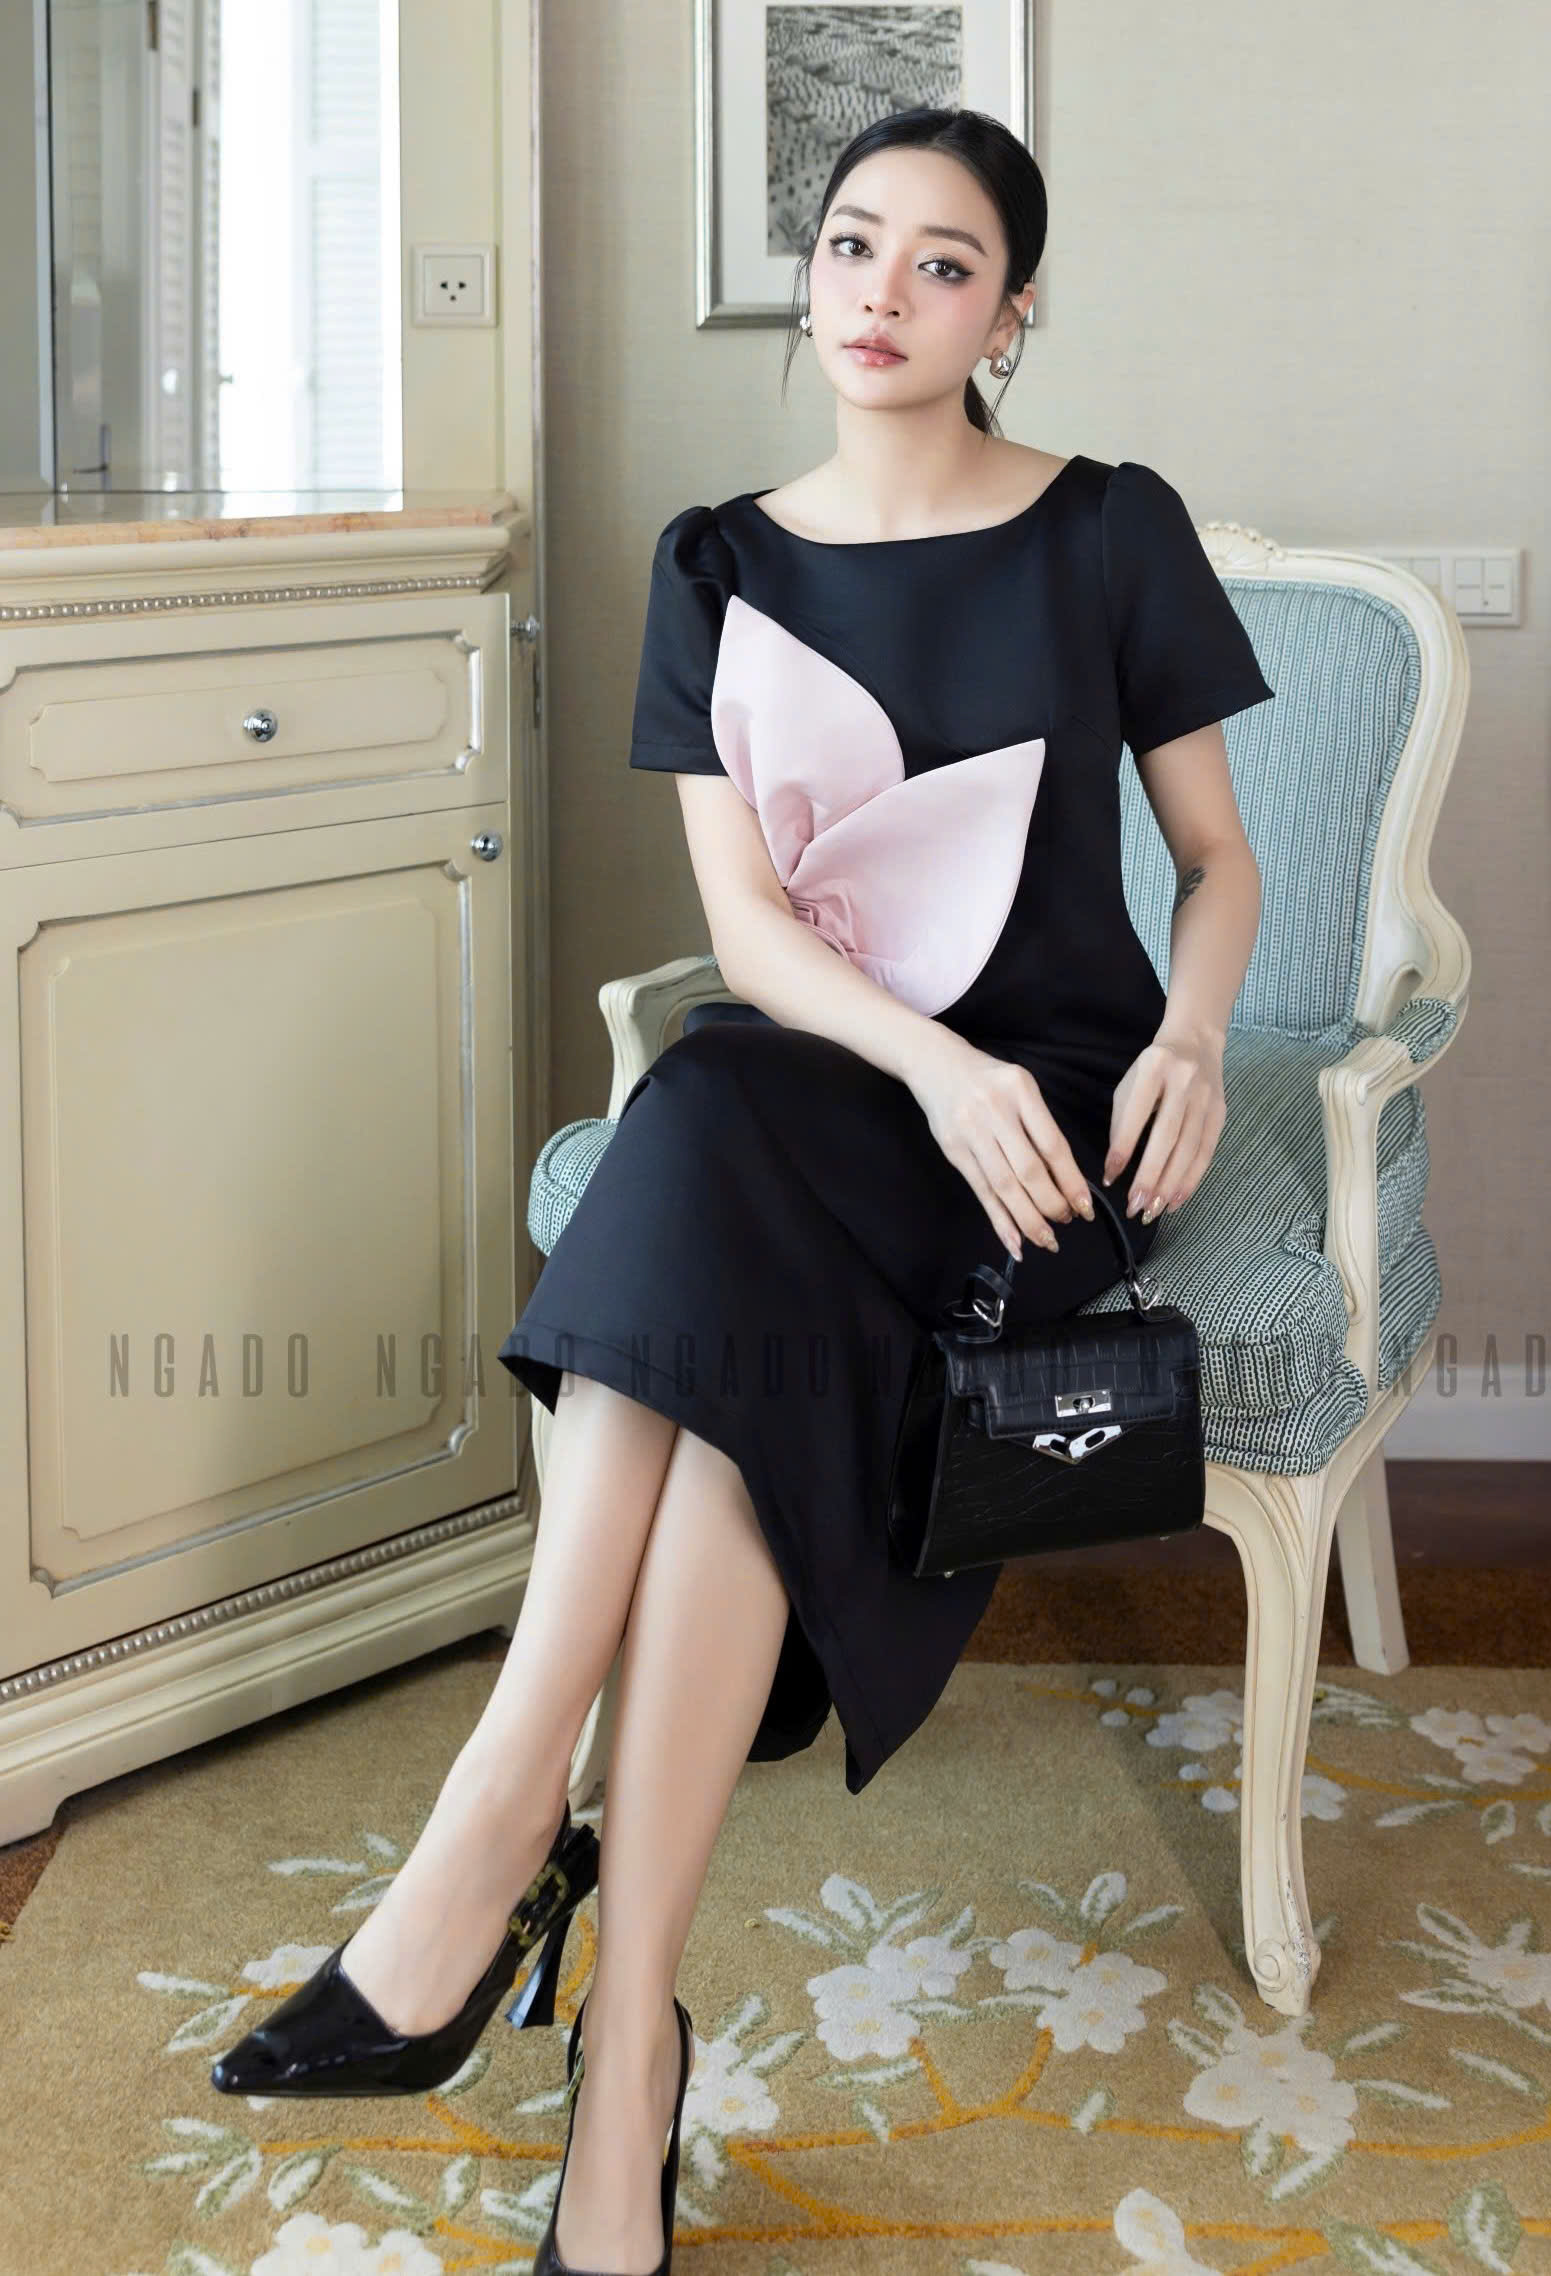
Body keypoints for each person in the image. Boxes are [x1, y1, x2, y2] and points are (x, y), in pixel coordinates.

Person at [211, 103, 1275, 2276]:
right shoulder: (719, 561)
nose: (881, 292)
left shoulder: (1109, 527)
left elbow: (1217, 860)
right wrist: (924, 1061)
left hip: (1052, 1127)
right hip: (855, 1085)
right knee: (720, 1155)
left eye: (943, 262)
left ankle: (507, 1841)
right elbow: (755, 935)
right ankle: (622, 2049)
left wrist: (1187, 1038)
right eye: (853, 243)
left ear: (1011, 310)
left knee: (707, 1204)